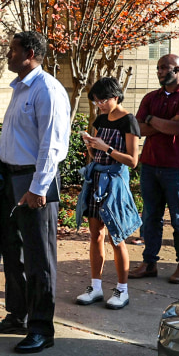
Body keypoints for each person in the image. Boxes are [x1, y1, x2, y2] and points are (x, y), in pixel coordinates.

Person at [0, 31, 70, 354]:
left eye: (12, 50)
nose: (8, 55)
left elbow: (51, 145)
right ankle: (17, 315)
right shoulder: (21, 90)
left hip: (34, 184)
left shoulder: (48, 90)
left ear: (29, 52)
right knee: (11, 252)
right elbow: (22, 135)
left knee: (38, 259)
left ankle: (42, 328)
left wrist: (38, 188)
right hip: (11, 180)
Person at [129, 54, 179, 285]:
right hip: (150, 164)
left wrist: (152, 119)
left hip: (178, 167)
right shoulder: (151, 97)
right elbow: (139, 129)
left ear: (178, 70)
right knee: (150, 216)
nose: (160, 72)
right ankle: (149, 262)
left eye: (165, 68)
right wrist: (161, 122)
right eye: (158, 68)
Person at [73, 77, 140, 310]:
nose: (99, 104)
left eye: (103, 100)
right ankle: (96, 286)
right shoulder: (100, 120)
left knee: (117, 237)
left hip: (115, 183)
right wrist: (91, 146)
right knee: (95, 235)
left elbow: (132, 161)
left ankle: (122, 289)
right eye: (96, 100)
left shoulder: (129, 121)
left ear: (116, 96)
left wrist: (106, 148)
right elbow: (95, 155)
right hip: (96, 179)